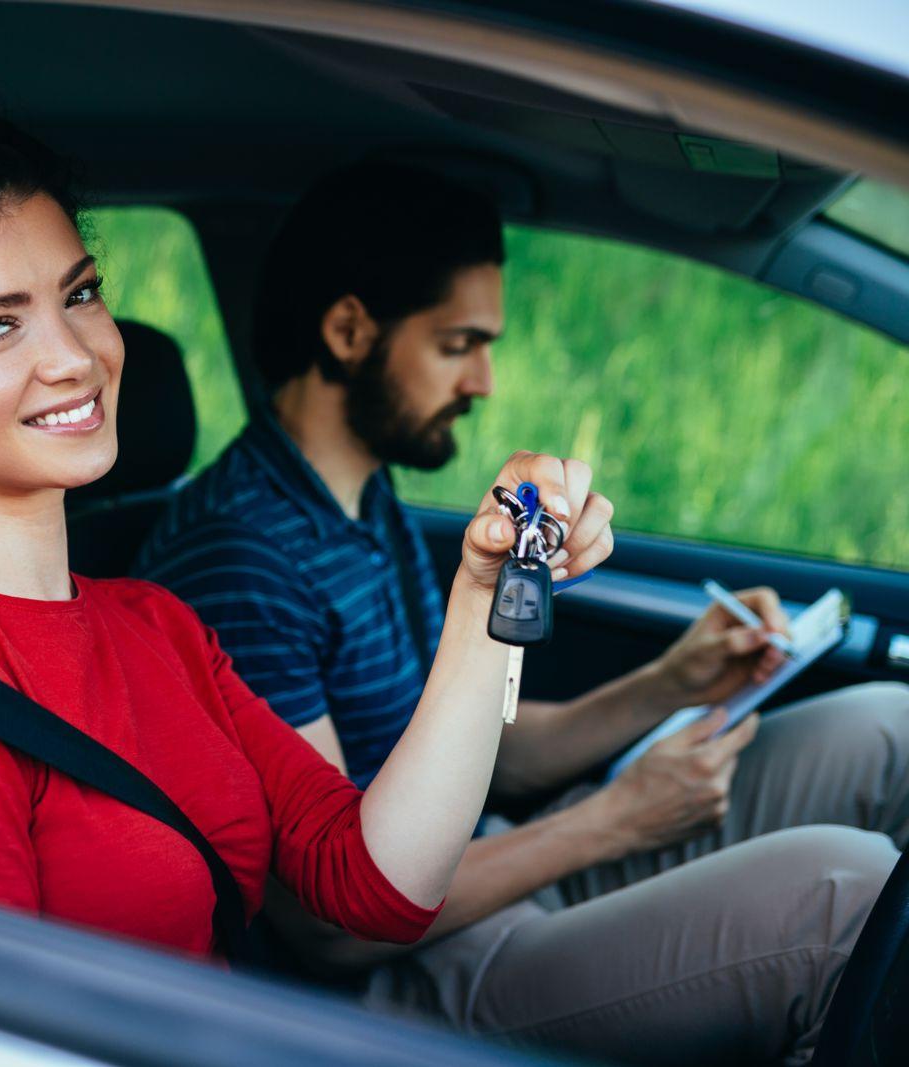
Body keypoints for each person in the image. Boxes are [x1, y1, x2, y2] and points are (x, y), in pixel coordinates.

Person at [0, 96, 611, 961]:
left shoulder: (158, 626)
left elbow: (374, 881)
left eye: (78, 293)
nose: (76, 356)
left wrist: (483, 595)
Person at [133, 161, 909, 1061]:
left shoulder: (359, 501)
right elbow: (332, 926)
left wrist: (673, 682)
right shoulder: (241, 559)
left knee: (892, 728)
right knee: (843, 899)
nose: (487, 381)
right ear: (349, 331)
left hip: (497, 860)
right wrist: (611, 823)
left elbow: (477, 753)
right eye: (459, 343)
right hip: (402, 973)